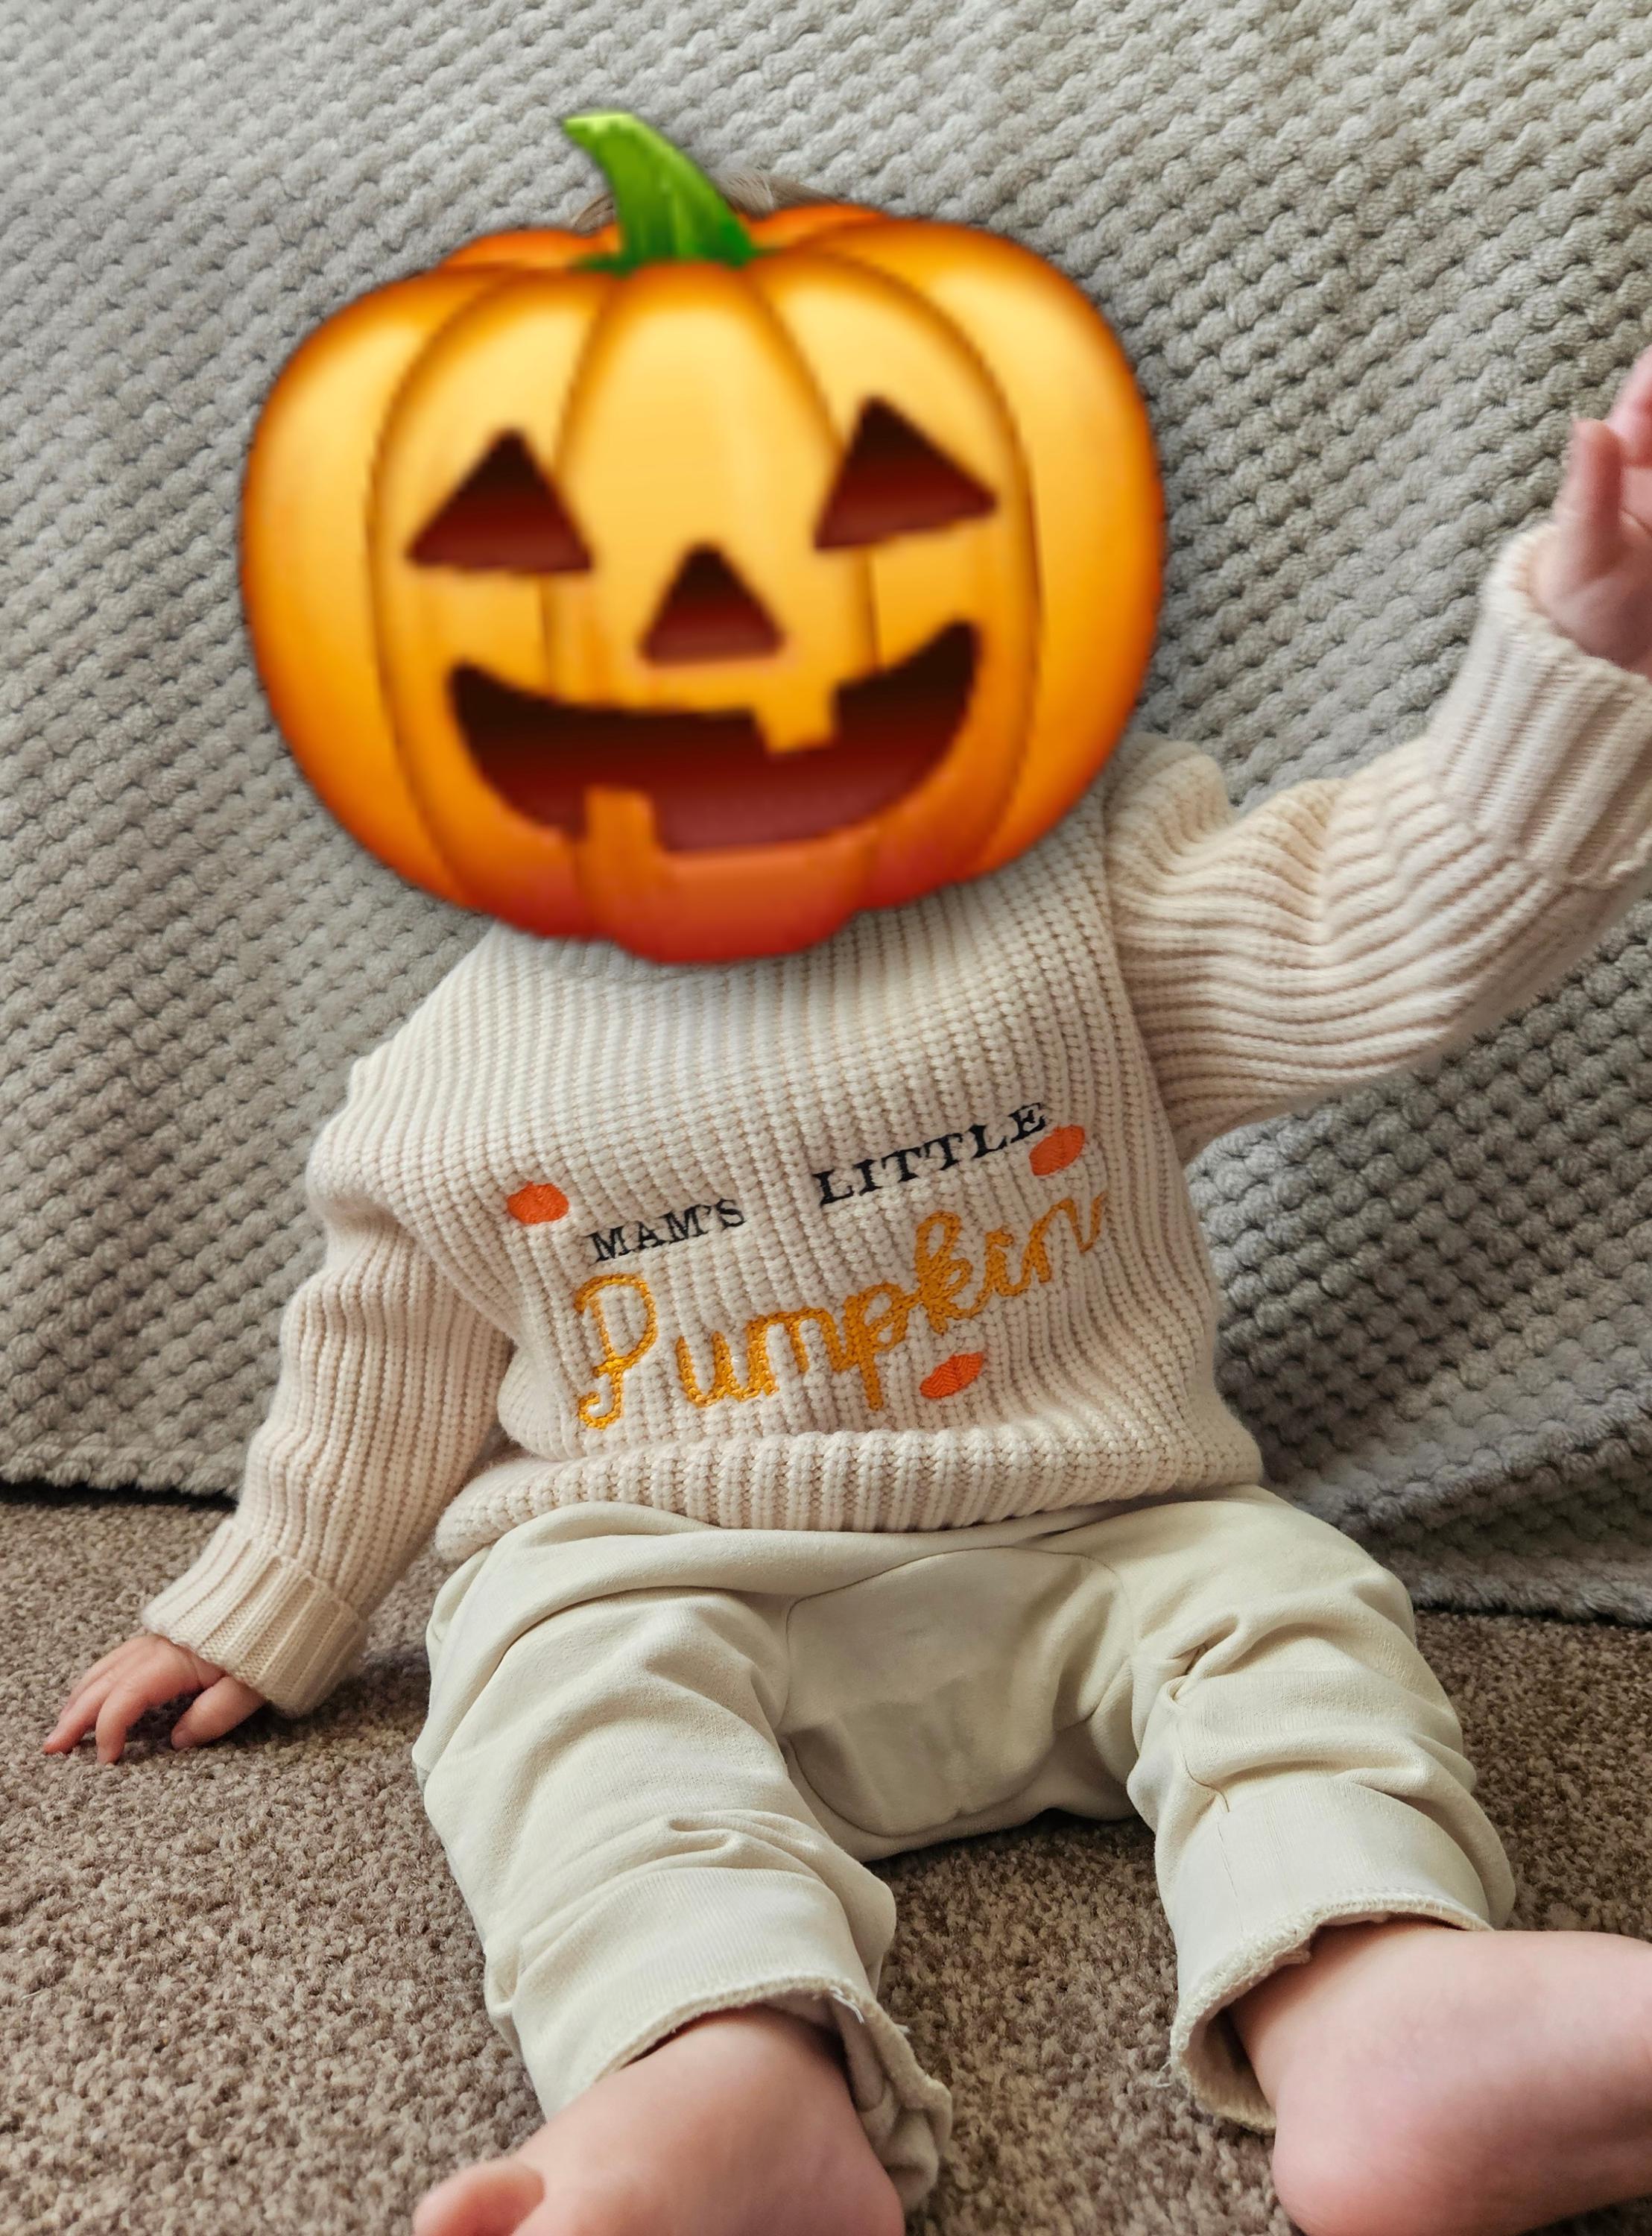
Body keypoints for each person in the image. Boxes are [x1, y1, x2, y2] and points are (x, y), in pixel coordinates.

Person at [45, 195, 1652, 2235]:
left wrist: (1579, 663)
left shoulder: (1081, 895)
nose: (715, 627)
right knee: (543, 1692)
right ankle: (719, 2079)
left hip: (1106, 1524)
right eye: (554, 571)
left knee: (1291, 1620)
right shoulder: (443, 1082)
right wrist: (256, 1608)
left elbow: (1382, 920)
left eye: (852, 530)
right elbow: (374, 1369)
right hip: (667, 1562)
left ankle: (1382, 2007)